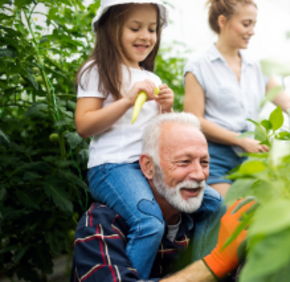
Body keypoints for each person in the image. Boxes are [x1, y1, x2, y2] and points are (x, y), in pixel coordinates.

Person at [74, 1, 219, 278]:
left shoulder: (150, 77)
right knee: (150, 223)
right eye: (135, 27)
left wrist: (166, 110)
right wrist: (128, 99)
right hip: (112, 168)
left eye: (152, 29)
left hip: (147, 167)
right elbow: (84, 125)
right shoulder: (97, 70)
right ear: (110, 28)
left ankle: (200, 271)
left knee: (213, 205)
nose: (146, 36)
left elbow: (157, 133)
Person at [70, 113, 254, 281]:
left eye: (204, 162)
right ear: (149, 167)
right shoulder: (100, 226)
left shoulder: (208, 219)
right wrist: (215, 263)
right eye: (184, 162)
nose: (199, 174)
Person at [183, 0, 290, 198]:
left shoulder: (257, 67)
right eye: (246, 23)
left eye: (254, 24)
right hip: (213, 156)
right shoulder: (199, 66)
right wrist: (240, 141)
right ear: (223, 21)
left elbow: (289, 104)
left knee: (256, 212)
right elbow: (193, 119)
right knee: (226, 212)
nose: (252, 31)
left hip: (250, 154)